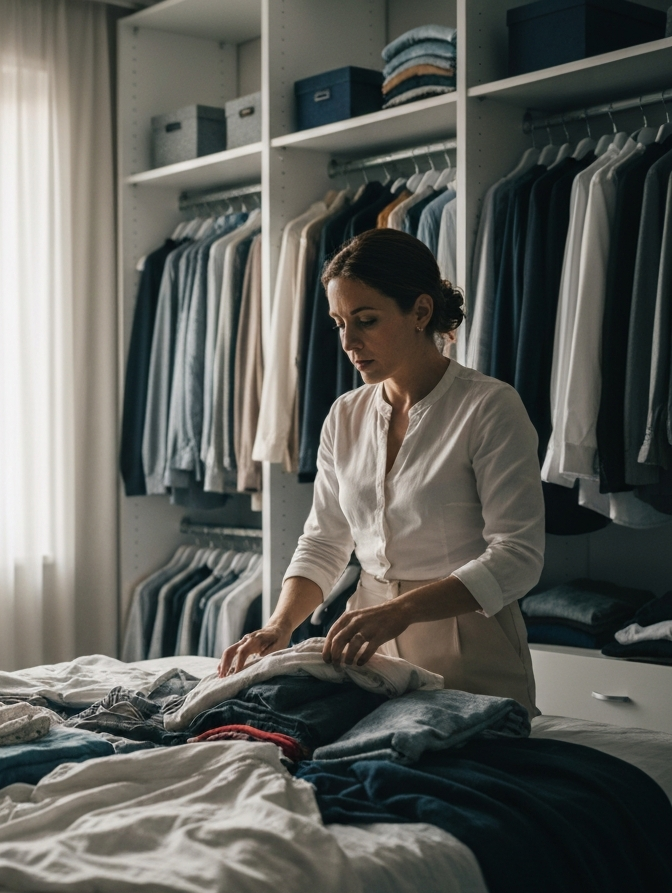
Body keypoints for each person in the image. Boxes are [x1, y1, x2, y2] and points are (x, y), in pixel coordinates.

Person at [219, 228, 545, 713]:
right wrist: (279, 625)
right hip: (367, 642)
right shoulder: (345, 415)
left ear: (420, 312)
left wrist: (401, 611)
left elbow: (519, 556)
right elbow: (325, 541)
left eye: (366, 320)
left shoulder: (489, 408)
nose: (348, 342)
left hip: (468, 638)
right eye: (338, 323)